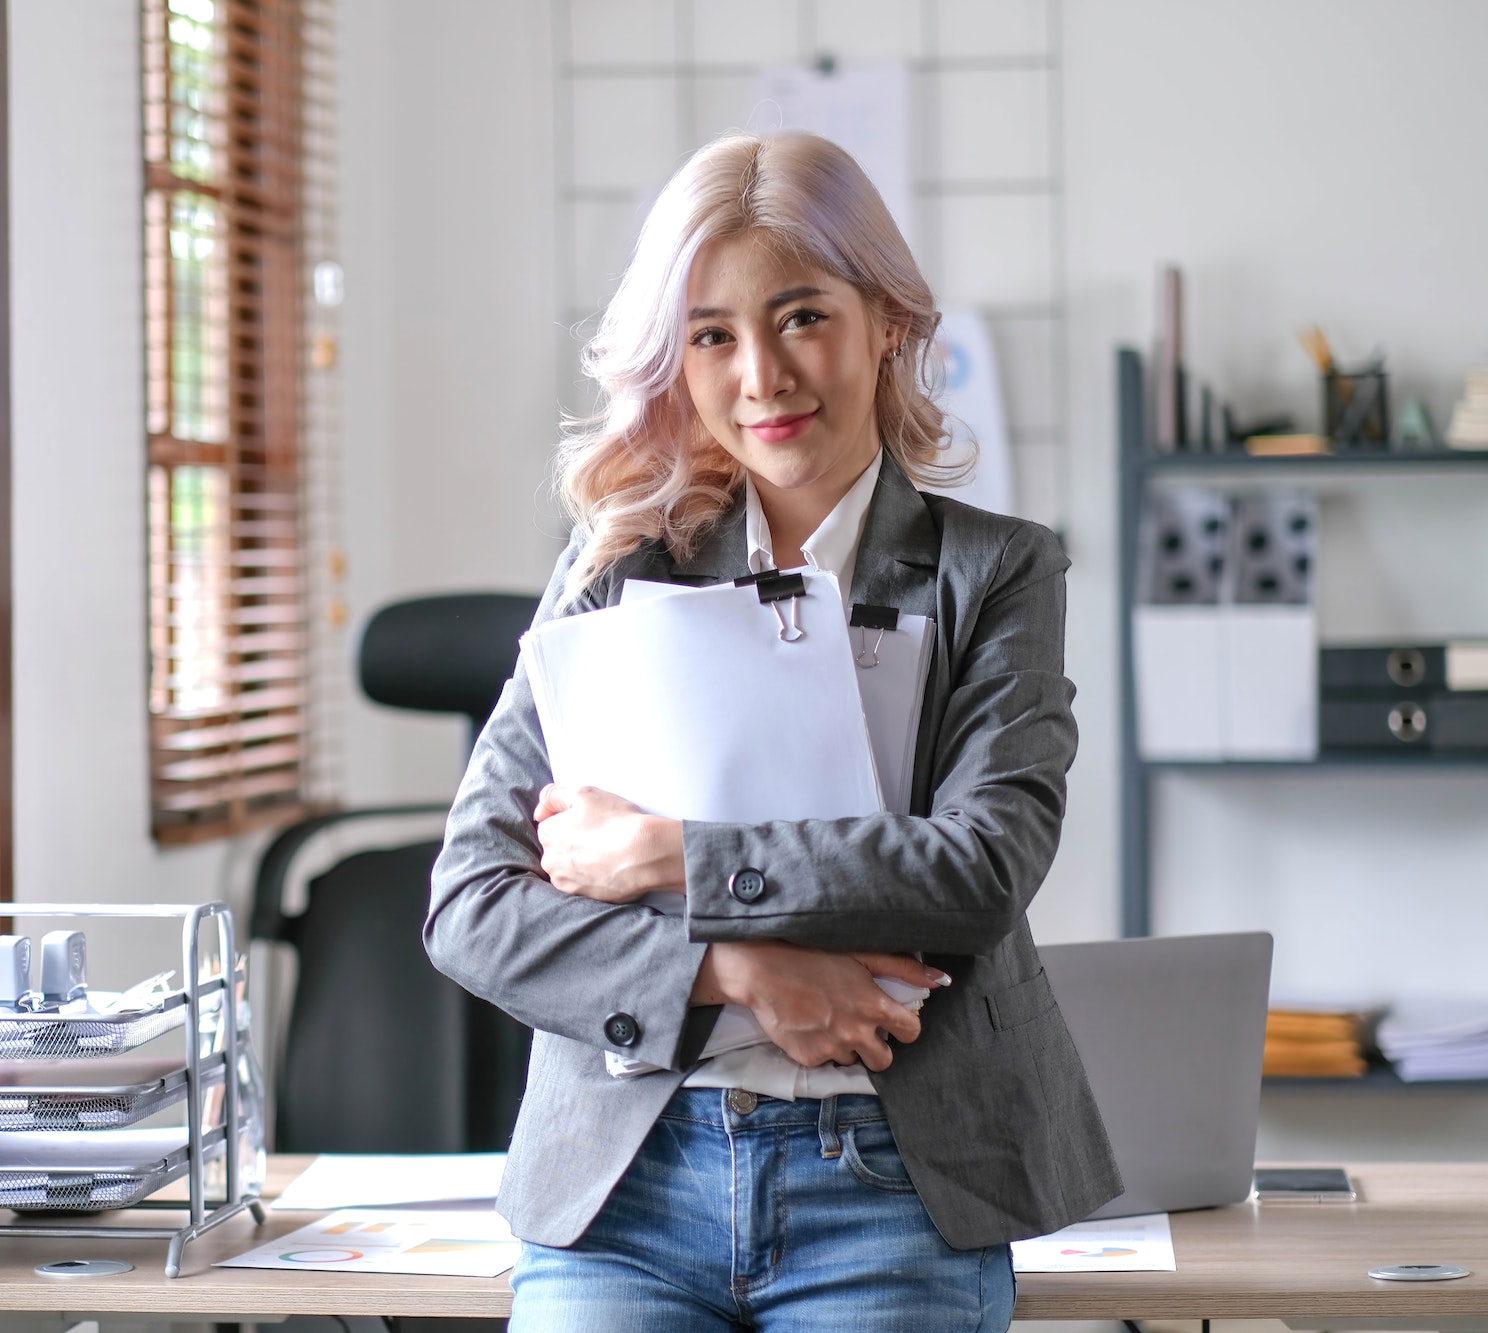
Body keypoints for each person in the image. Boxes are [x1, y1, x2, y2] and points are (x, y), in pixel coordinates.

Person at [425, 131, 1122, 1331]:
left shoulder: (996, 572)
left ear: (886, 319)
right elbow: (471, 906)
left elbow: (977, 870)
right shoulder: (611, 572)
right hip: (626, 1192)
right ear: (674, 359)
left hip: (892, 1184)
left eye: (799, 315)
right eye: (710, 335)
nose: (760, 374)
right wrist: (731, 971)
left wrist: (666, 855)